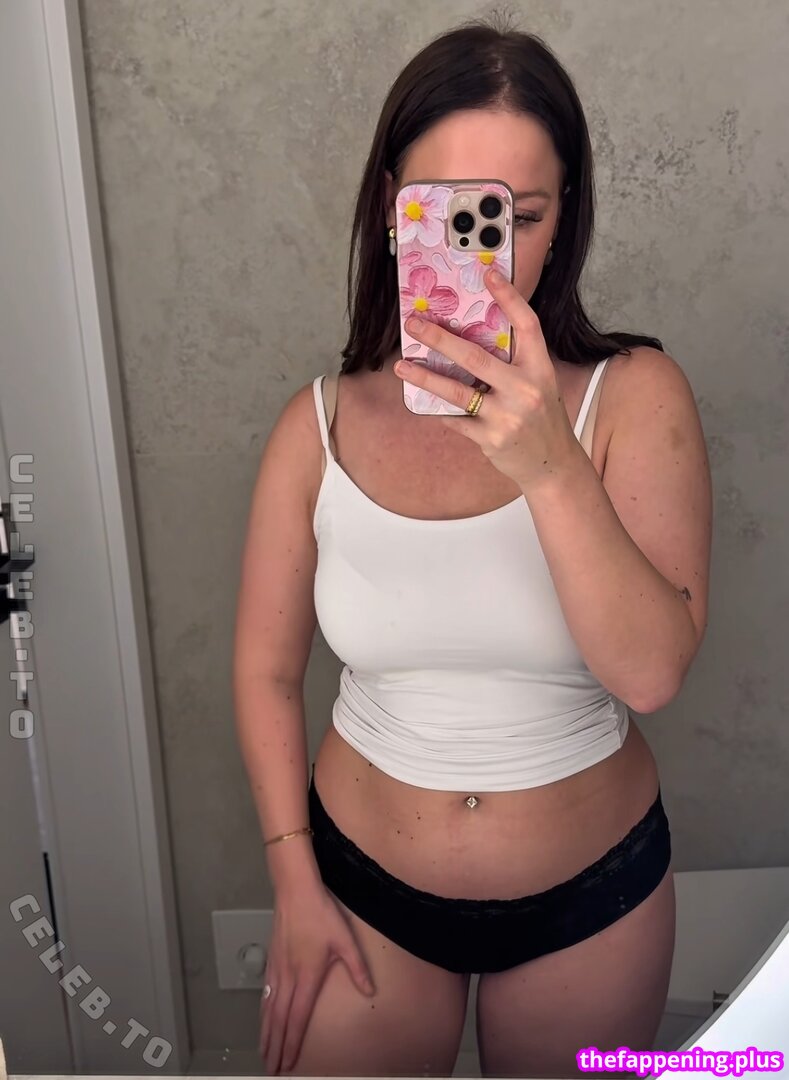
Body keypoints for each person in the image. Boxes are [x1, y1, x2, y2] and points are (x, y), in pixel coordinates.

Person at [233, 14, 712, 1079]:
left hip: (591, 902)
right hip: (358, 892)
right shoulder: (315, 425)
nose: (474, 252)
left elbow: (651, 674)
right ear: (389, 210)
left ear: (560, 220)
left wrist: (550, 463)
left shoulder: (636, 396)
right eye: (438, 210)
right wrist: (293, 883)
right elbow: (266, 673)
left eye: (513, 216)